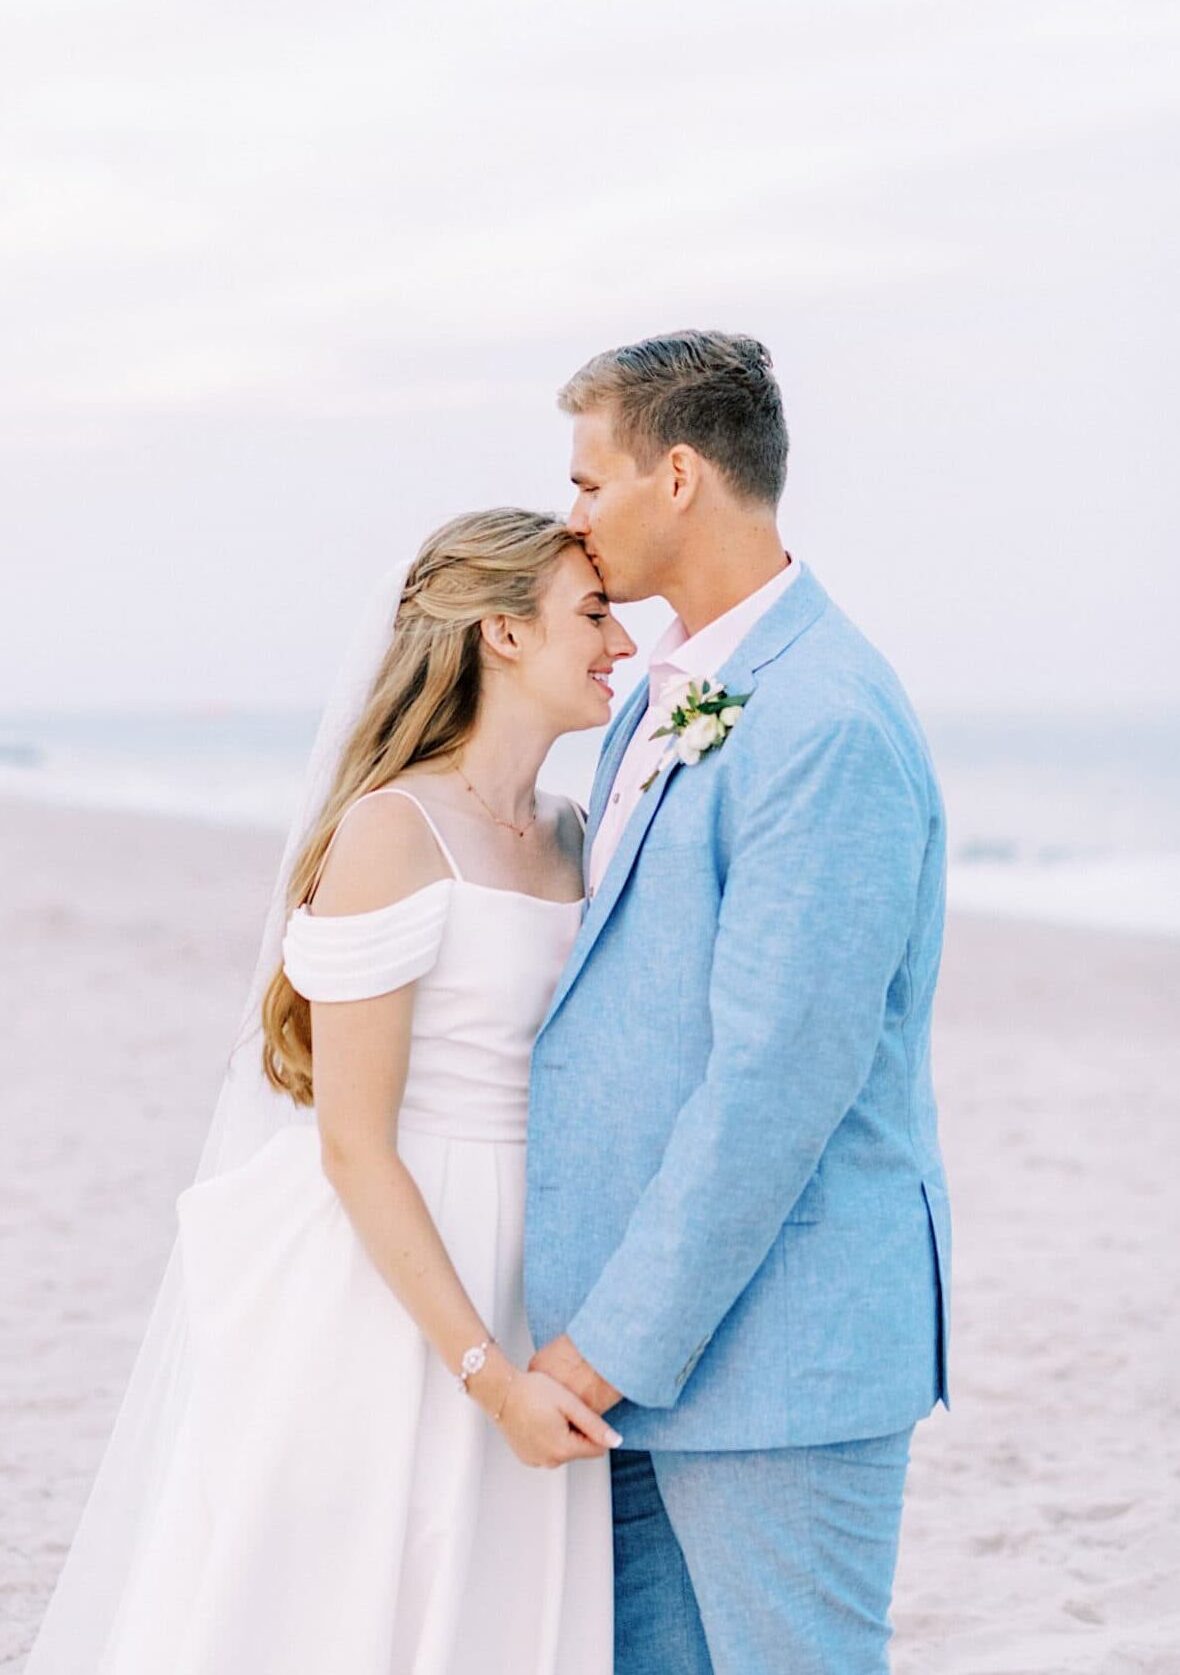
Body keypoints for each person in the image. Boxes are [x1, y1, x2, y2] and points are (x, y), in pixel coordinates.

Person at [24, 508, 636, 1675]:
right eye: (593, 612)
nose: (620, 642)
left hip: (536, 1251)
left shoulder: (570, 832)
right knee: (343, 1606)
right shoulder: (392, 832)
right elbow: (354, 1143)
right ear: (503, 632)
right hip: (398, 1265)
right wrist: (485, 1374)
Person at [524, 330, 952, 1674]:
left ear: (683, 475)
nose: (572, 517)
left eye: (591, 482)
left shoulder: (821, 716)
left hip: (773, 1357)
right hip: (641, 1352)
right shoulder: (672, 690)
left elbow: (780, 1075)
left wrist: (602, 1348)